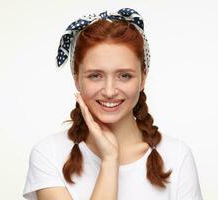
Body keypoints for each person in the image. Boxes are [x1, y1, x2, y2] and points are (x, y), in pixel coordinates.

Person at [22, 8, 203, 200]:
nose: (109, 91)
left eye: (124, 76)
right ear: (76, 79)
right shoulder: (49, 154)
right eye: (95, 76)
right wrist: (109, 161)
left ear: (143, 79)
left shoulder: (177, 156)